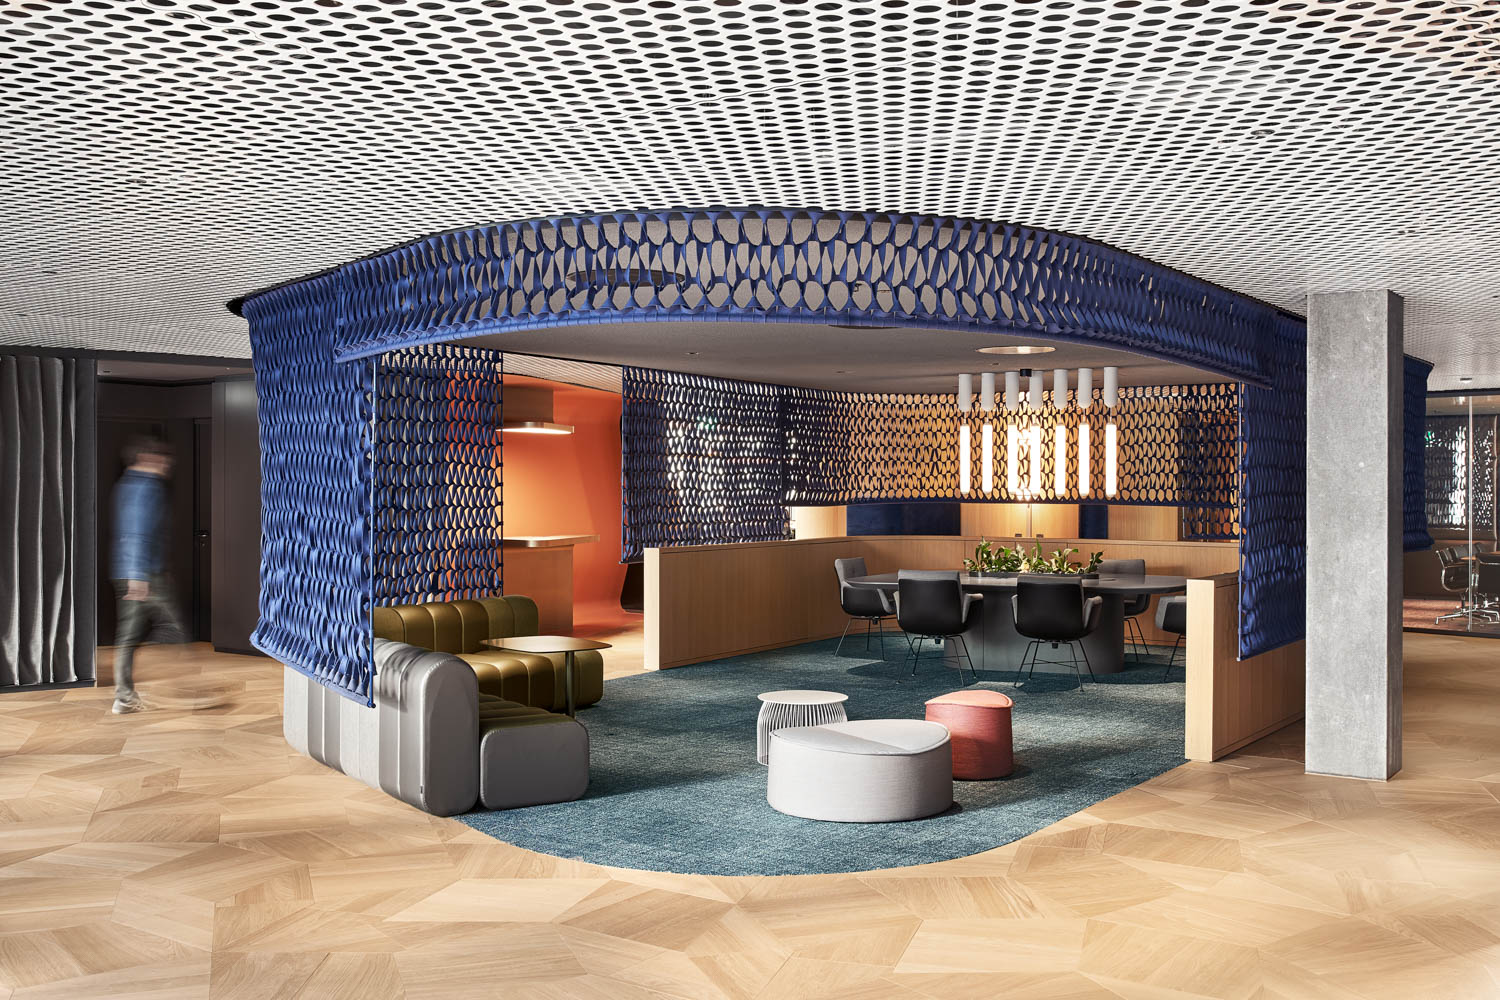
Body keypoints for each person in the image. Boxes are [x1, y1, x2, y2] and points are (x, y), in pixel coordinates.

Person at [110, 435, 186, 714]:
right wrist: (139, 576)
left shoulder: (126, 485)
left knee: (127, 637)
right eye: (164, 459)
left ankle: (124, 698)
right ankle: (183, 690)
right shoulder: (147, 487)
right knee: (174, 629)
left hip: (132, 570)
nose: (168, 464)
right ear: (148, 458)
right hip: (142, 575)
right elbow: (137, 532)